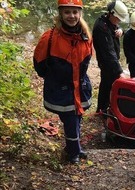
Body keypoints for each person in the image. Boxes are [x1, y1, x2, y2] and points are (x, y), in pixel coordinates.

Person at [33, 0, 92, 164]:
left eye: (75, 12)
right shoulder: (49, 38)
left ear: (80, 13)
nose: (71, 16)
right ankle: (73, 152)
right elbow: (39, 65)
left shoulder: (86, 36)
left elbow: (87, 60)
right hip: (61, 89)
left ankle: (74, 148)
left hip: (80, 86)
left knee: (77, 118)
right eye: (67, 12)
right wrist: (55, 78)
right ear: (61, 13)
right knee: (70, 120)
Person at [92, 0, 129, 113]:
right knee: (107, 85)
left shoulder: (111, 23)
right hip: (107, 62)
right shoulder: (101, 28)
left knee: (108, 85)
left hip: (112, 60)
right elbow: (109, 52)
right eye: (117, 18)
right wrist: (119, 71)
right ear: (111, 13)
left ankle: (105, 108)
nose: (118, 21)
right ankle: (102, 109)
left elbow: (121, 28)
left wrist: (121, 30)